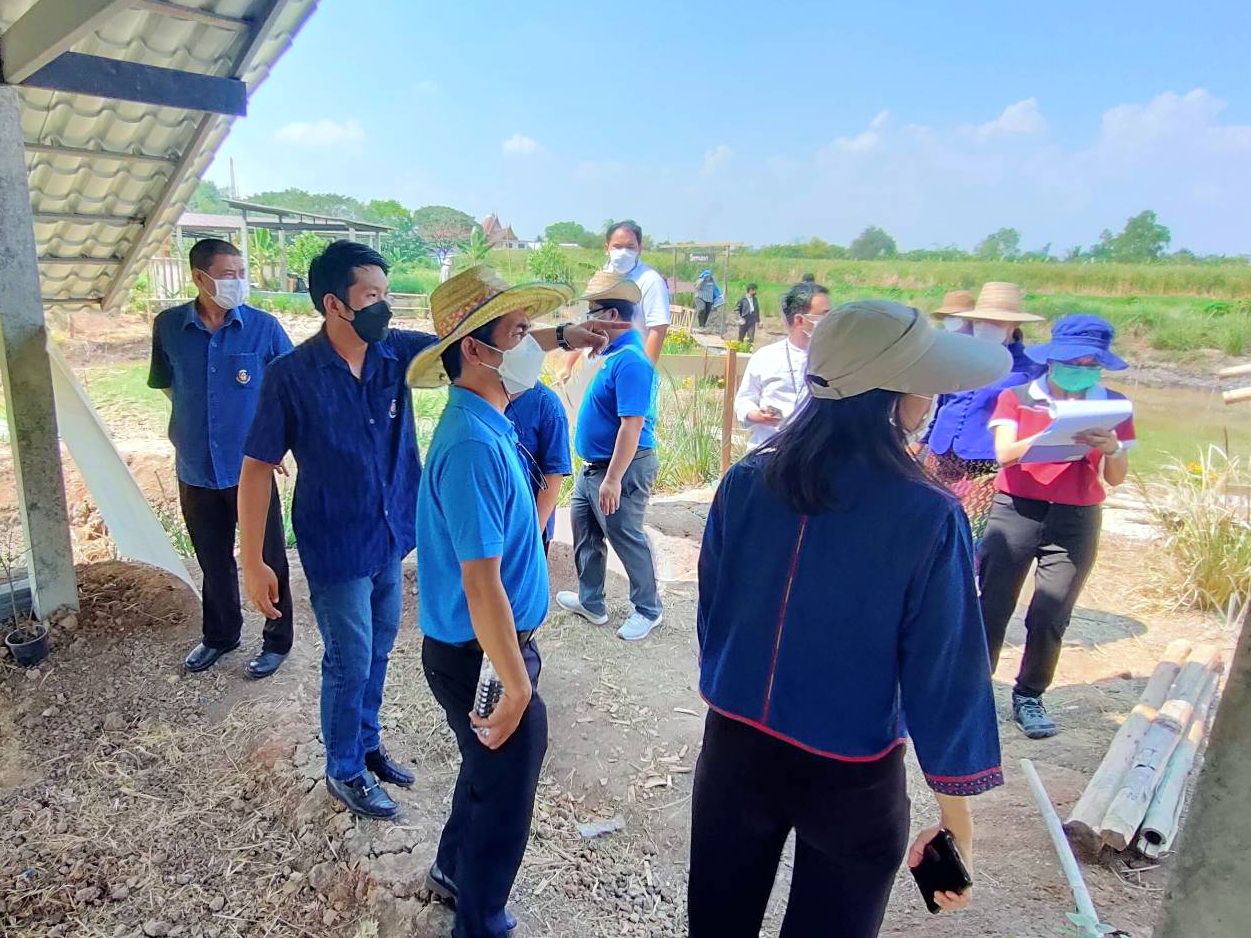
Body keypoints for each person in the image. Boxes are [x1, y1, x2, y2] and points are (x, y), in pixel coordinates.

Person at [238, 245, 610, 820]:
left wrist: (565, 335)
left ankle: (366, 743)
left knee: (381, 647)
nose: (384, 307)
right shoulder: (290, 377)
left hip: (389, 534)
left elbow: (482, 346)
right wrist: (253, 560)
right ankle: (344, 767)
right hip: (335, 541)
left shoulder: (395, 354)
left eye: (387, 294)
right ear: (335, 304)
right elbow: (257, 467)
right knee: (349, 655)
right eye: (371, 297)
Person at [689, 300, 1011, 938]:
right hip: (851, 774)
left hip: (734, 749)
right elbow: (944, 678)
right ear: (896, 393)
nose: (931, 398)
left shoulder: (746, 482)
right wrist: (957, 826)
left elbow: (714, 620)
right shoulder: (927, 515)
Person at [405, 267, 586, 938]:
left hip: (486, 647)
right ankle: (479, 922)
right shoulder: (475, 444)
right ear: (476, 351)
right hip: (480, 654)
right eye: (516, 333)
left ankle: (454, 871)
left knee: (486, 769)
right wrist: (513, 681)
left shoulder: (491, 420)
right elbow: (480, 582)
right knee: (506, 789)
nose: (531, 345)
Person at [978, 314, 1135, 740]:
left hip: (1076, 515)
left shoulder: (1111, 406)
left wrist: (1113, 447)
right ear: (1052, 360)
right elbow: (1004, 454)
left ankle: (1029, 695)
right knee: (992, 605)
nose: (1081, 370)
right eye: (1073, 361)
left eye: (1091, 364)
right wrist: (1048, 434)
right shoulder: (1017, 398)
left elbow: (1116, 477)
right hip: (1016, 508)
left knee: (1051, 611)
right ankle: (975, 692)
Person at [147, 238, 295, 679]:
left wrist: (277, 442)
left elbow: (289, 388)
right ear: (199, 277)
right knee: (213, 559)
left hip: (251, 469)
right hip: (194, 467)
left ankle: (277, 640)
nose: (237, 281)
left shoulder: (263, 328)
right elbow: (169, 385)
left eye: (240, 272)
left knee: (268, 557)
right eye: (227, 274)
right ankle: (221, 634)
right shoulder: (169, 326)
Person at [555, 271, 663, 641]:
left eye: (593, 312)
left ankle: (648, 609)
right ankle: (592, 602)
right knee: (585, 534)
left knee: (625, 535)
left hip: (622, 467)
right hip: (593, 468)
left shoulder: (631, 361)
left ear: (612, 316)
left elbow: (631, 426)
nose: (587, 320)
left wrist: (614, 478)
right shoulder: (609, 354)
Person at [923, 283, 1045, 543]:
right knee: (926, 526)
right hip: (941, 453)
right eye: (979, 322)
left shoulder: (1029, 370)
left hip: (984, 462)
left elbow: (1031, 419)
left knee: (967, 533)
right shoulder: (964, 358)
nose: (983, 328)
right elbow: (944, 403)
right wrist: (923, 440)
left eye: (994, 323)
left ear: (1012, 327)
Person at [733, 281, 831, 448]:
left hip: (817, 456)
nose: (830, 321)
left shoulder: (837, 359)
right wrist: (757, 415)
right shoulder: (766, 357)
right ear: (800, 320)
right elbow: (744, 400)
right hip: (768, 451)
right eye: (824, 315)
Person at [504, 380, 572, 554]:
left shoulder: (547, 405)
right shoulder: (488, 396)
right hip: (495, 519)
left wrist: (533, 535)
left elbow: (553, 475)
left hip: (528, 522)